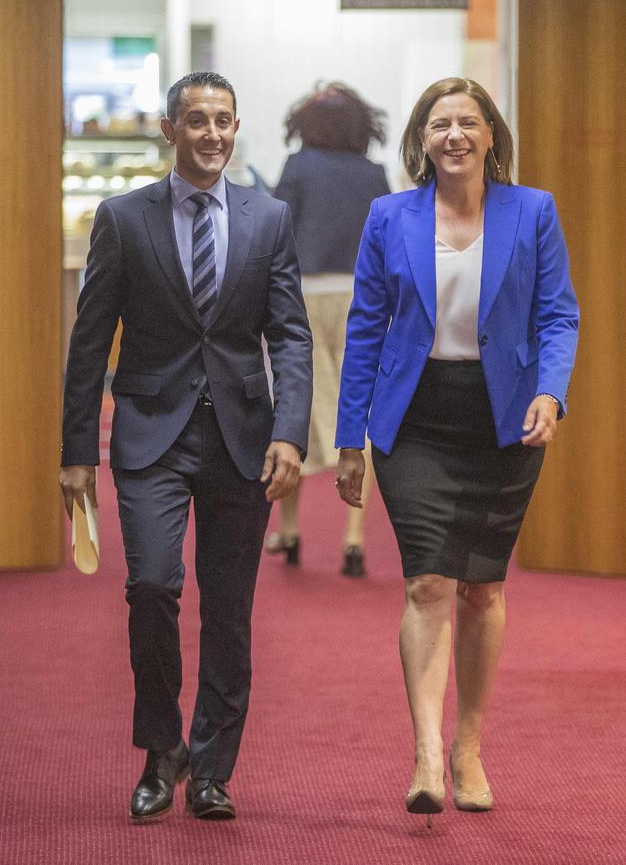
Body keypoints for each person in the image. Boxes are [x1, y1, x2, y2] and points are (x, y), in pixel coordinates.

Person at [59, 71, 312, 823]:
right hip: (148, 432)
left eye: (224, 121)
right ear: (170, 129)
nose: (212, 134)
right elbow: (89, 340)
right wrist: (78, 448)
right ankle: (160, 747)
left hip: (242, 435)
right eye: (197, 120)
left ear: (236, 128)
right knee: (152, 587)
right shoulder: (123, 218)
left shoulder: (269, 218)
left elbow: (291, 335)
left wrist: (293, 431)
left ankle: (211, 767)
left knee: (230, 609)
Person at [335, 78, 579, 825]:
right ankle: (427, 753)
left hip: (504, 420)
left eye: (467, 122)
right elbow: (365, 328)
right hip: (414, 421)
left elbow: (558, 313)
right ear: (422, 138)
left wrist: (551, 390)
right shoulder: (389, 215)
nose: (454, 135)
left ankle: (470, 745)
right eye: (439, 123)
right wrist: (350, 439)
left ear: (490, 135)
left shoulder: (532, 210)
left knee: (482, 589)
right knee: (427, 584)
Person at [268, 82, 390, 576]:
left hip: (303, 295)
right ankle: (354, 540)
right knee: (359, 412)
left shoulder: (298, 168)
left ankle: (291, 532)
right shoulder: (373, 174)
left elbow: (275, 231)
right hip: (362, 298)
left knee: (293, 408)